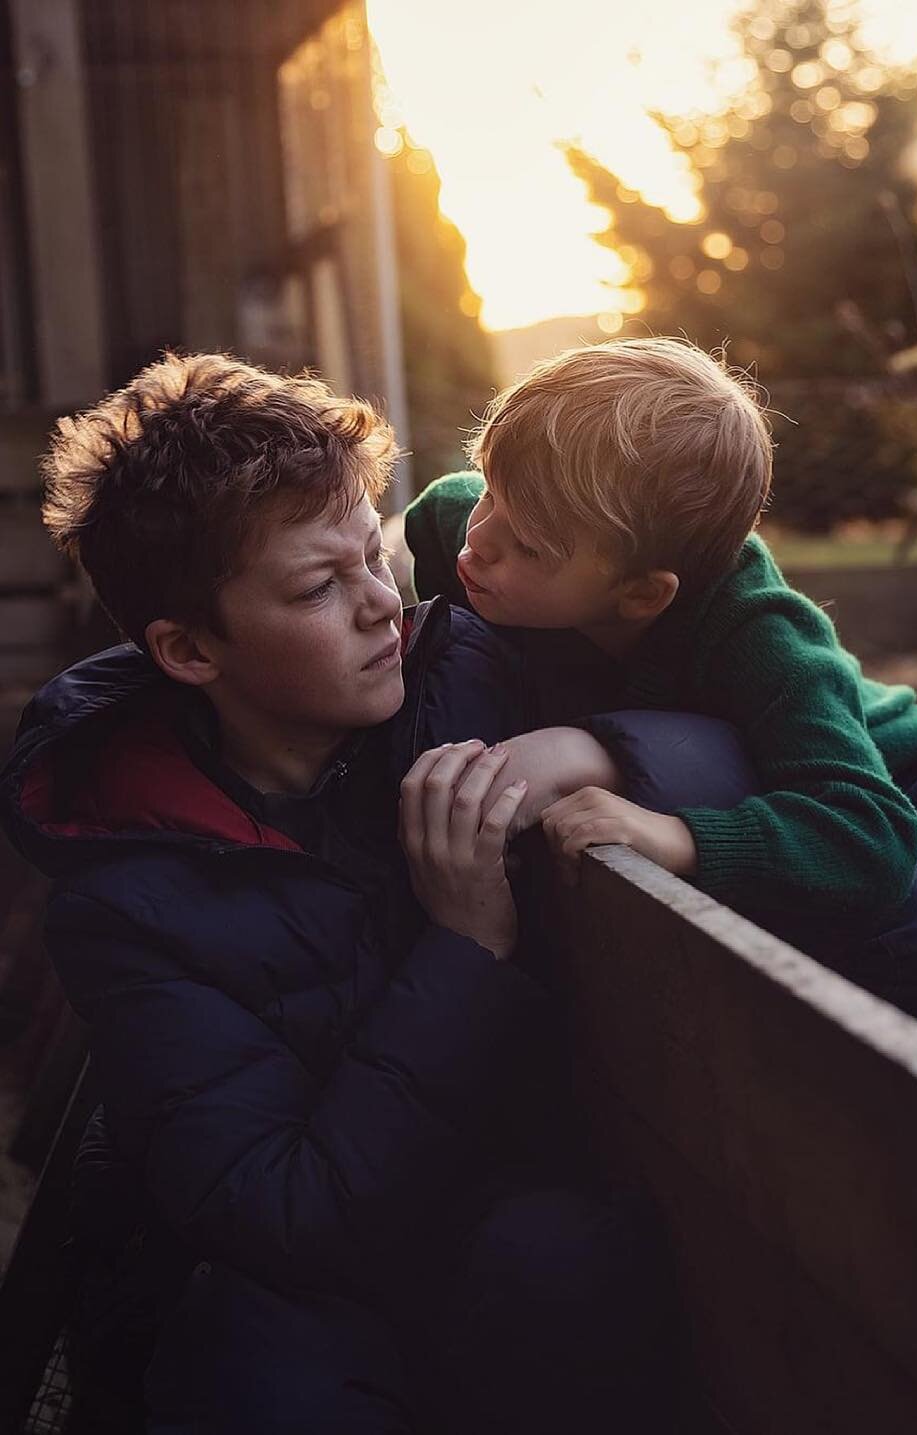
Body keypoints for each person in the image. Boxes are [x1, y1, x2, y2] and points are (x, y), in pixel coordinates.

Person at [0, 352, 751, 1433]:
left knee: (566, 1258)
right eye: (317, 586)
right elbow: (285, 1217)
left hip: (501, 1236)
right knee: (258, 1371)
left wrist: (583, 746)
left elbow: (735, 754)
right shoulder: (130, 896)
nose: (380, 606)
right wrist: (463, 943)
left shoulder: (467, 672)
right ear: (189, 649)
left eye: (372, 552)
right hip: (305, 1298)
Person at [404, 338, 917, 993]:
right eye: (492, 493)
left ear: (641, 594)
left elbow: (868, 836)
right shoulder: (469, 530)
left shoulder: (759, 629)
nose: (478, 541)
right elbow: (436, 510)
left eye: (528, 547)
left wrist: (682, 838)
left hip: (903, 768)